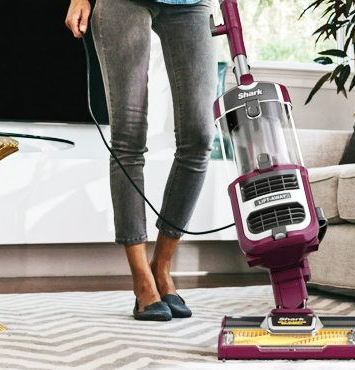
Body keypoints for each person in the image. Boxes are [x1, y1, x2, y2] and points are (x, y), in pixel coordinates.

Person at [65, 0, 216, 321]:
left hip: (190, 5)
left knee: (200, 136)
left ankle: (161, 267)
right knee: (129, 137)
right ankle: (141, 279)